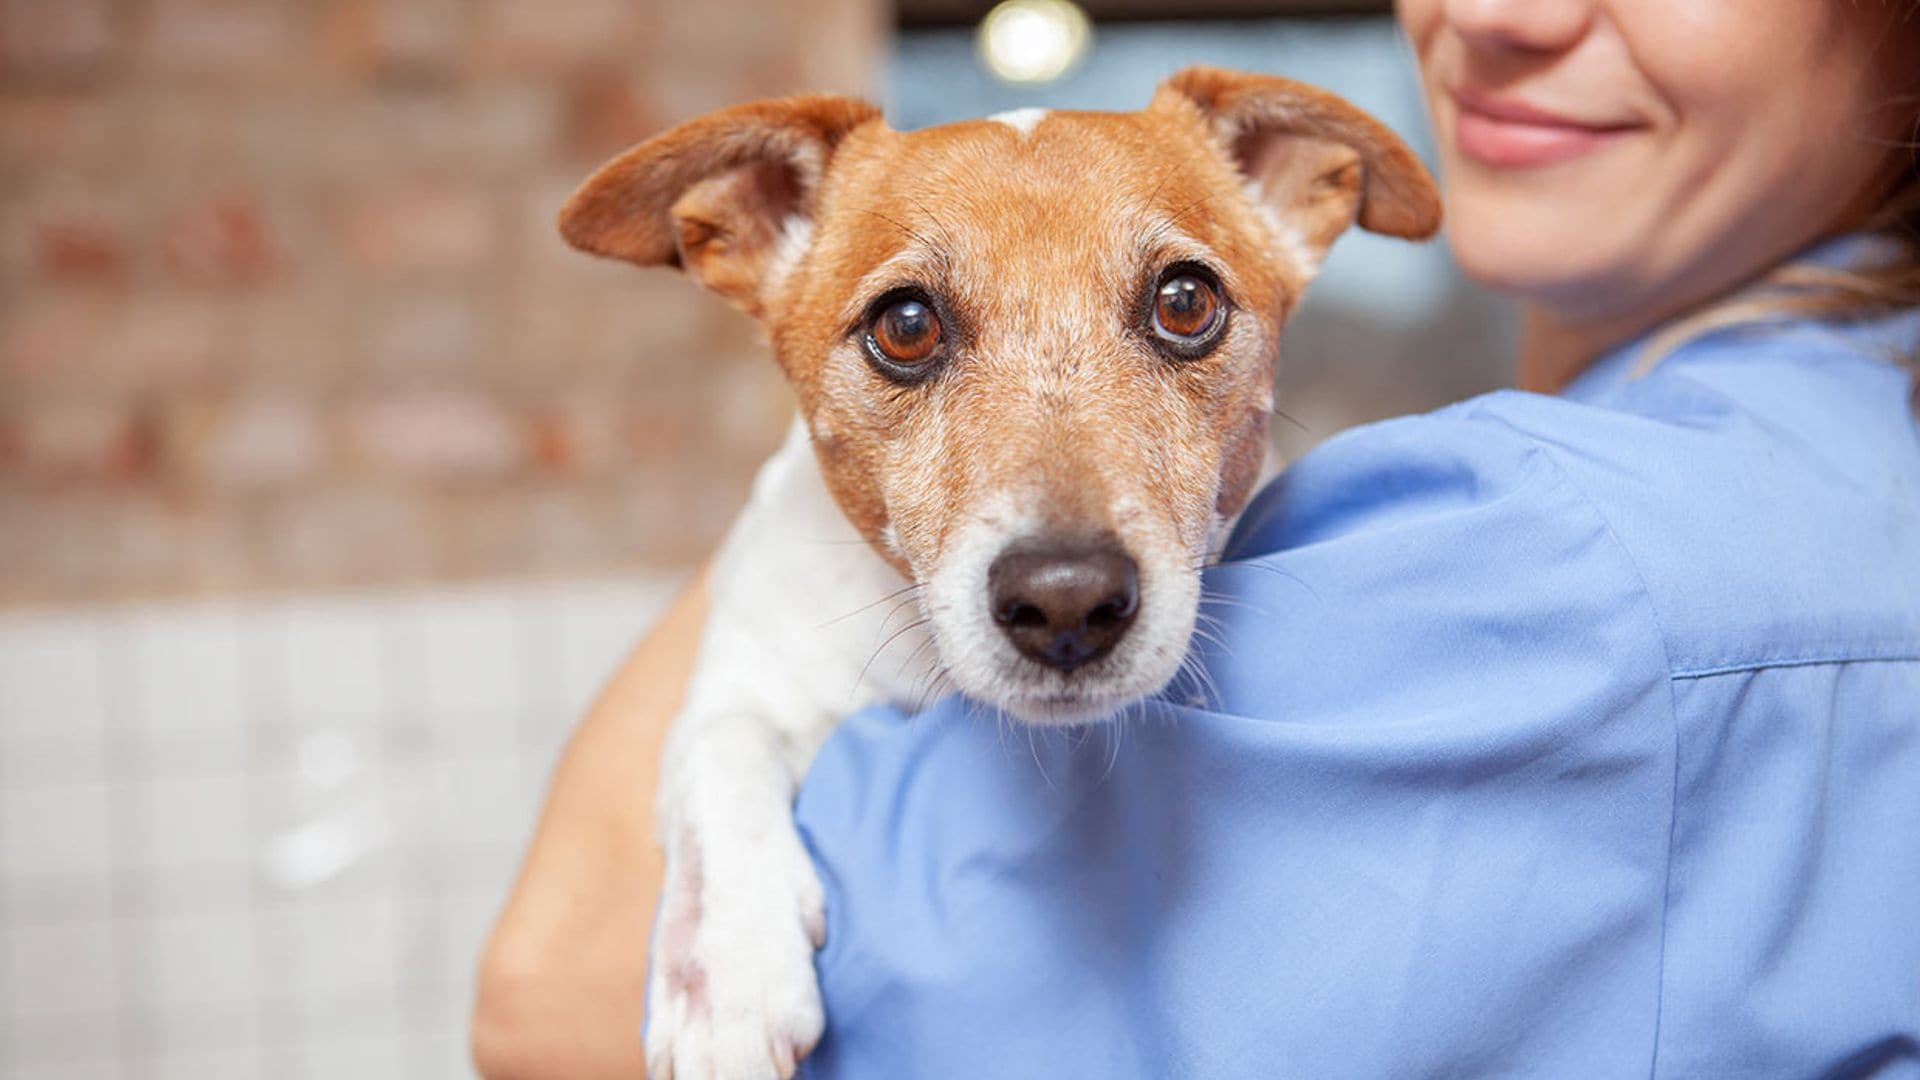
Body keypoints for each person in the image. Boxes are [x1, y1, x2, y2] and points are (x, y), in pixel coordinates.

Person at [472, 1, 1920, 1076]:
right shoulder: (1831, 451)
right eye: (913, 326)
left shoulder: (1562, 564)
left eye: (1178, 310)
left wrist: (850, 377)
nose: (1496, 13)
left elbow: (550, 998)